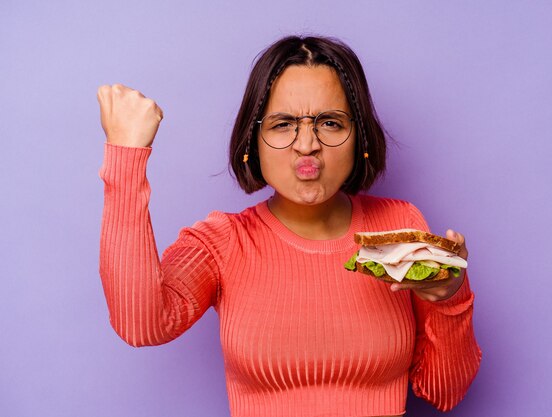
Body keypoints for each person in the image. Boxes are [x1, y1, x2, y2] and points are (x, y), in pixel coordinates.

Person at [97, 35, 481, 417]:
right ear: (253, 140)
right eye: (283, 125)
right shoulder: (223, 243)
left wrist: (451, 296)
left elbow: (443, 392)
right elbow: (140, 325)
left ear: (359, 135)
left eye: (330, 123)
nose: (307, 144)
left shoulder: (398, 227)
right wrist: (126, 157)